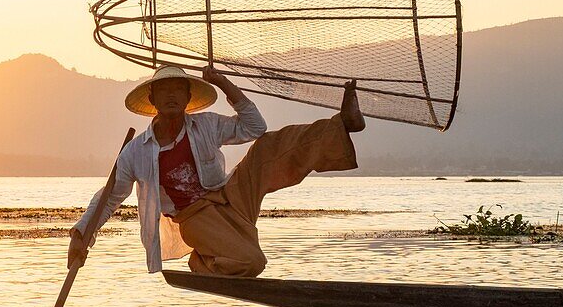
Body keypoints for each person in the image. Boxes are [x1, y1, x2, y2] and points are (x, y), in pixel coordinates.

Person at [68, 66, 365, 277]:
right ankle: (203, 262)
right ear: (152, 100)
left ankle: (341, 125)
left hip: (228, 195)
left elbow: (254, 128)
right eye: (164, 91)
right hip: (195, 217)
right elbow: (109, 197)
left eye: (177, 91)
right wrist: (81, 235)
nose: (171, 96)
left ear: (187, 99)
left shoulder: (205, 124)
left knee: (267, 146)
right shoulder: (137, 152)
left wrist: (224, 84)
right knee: (252, 262)